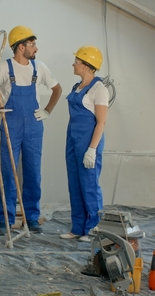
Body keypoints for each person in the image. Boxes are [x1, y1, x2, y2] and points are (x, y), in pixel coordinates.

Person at [0, 25, 62, 235]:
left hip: (34, 126)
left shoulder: (40, 67)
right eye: (32, 44)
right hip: (11, 124)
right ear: (20, 47)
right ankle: (6, 220)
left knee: (33, 173)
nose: (35, 48)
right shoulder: (4, 68)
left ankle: (32, 217)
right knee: (8, 173)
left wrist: (47, 111)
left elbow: (57, 89)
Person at [60, 45, 108, 242]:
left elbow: (101, 122)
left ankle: (94, 229)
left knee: (89, 185)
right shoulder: (76, 87)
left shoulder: (99, 89)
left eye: (77, 62)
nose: (74, 64)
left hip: (88, 143)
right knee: (75, 184)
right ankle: (78, 227)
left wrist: (92, 149)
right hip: (72, 141)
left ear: (87, 66)